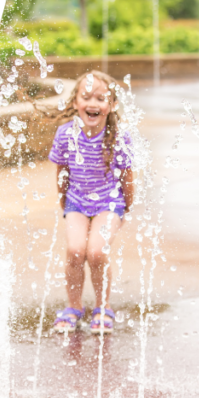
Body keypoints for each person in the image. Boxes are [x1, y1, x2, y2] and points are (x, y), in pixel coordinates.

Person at [48, 71, 134, 335]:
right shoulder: (65, 134)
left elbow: (128, 178)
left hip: (109, 203)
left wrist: (124, 208)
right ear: (75, 102)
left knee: (96, 252)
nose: (93, 103)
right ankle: (74, 307)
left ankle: (103, 307)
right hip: (76, 201)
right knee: (75, 251)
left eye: (101, 98)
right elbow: (61, 171)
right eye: (86, 97)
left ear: (112, 105)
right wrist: (65, 202)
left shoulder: (119, 137)